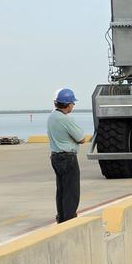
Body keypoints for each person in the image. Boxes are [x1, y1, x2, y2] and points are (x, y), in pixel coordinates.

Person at [47, 87, 86, 223]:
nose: (73, 105)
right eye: (73, 103)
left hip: (55, 157)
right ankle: (69, 219)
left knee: (61, 189)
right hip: (68, 157)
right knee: (71, 190)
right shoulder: (66, 119)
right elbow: (81, 138)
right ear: (68, 104)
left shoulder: (52, 117)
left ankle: (61, 217)